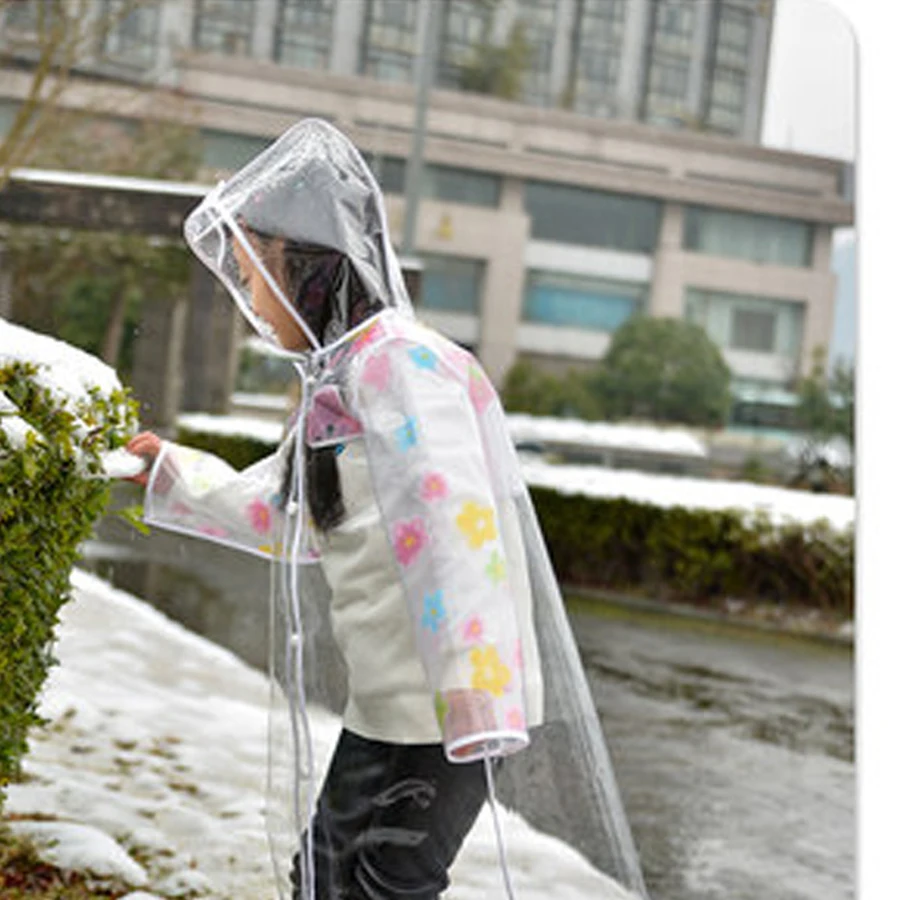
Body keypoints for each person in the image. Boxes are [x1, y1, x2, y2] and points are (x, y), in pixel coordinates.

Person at [122, 119, 647, 900]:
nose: (250, 302)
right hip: (389, 698)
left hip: (449, 698)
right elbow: (291, 515)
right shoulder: (339, 382)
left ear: (306, 266)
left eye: (253, 275)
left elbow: (456, 523)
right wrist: (172, 470)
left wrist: (470, 682)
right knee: (323, 877)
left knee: (387, 882)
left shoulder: (403, 366)